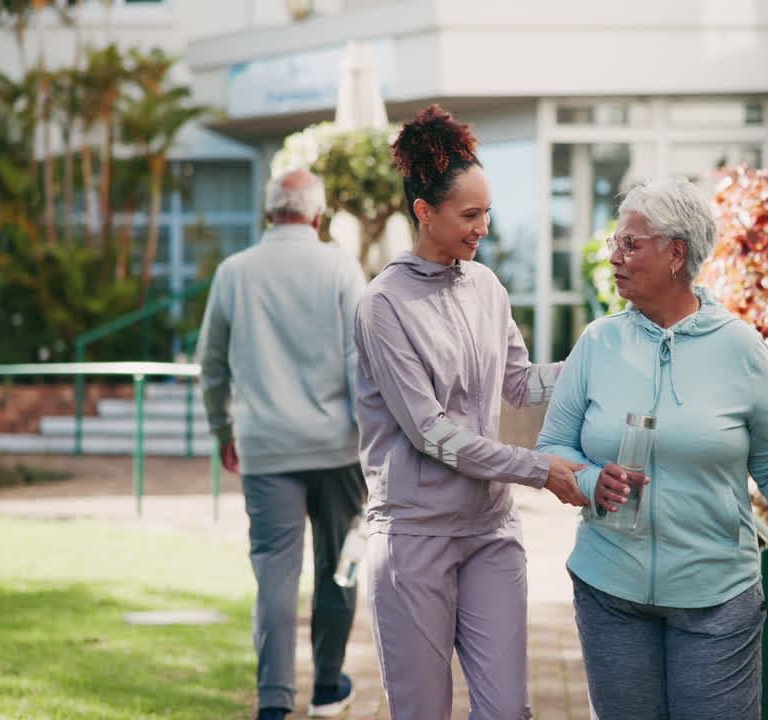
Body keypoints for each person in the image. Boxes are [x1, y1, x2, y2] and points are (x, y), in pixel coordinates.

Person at [536, 177, 768, 720]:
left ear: (675, 253)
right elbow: (553, 448)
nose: (615, 256)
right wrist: (592, 481)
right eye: (617, 242)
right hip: (609, 590)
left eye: (629, 244)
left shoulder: (740, 348)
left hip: (716, 599)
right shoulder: (597, 342)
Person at [353, 105, 590, 720]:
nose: (483, 227)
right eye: (469, 215)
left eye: (486, 213)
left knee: (509, 711)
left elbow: (518, 384)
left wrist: (598, 360)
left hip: (490, 532)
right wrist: (539, 468)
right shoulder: (383, 306)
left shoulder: (487, 287)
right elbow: (432, 432)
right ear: (424, 212)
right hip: (414, 537)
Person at [196, 169, 366, 720]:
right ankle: (326, 687)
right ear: (317, 214)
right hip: (337, 447)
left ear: (268, 212)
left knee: (274, 570)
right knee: (338, 565)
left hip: (265, 447)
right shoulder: (341, 267)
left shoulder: (234, 273)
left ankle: (273, 702)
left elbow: (211, 366)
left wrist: (224, 431)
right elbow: (358, 362)